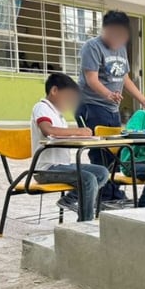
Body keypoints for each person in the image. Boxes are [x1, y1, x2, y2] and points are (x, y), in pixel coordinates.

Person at [76, 10, 145, 205]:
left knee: (114, 150)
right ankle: (103, 195)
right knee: (99, 152)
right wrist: (108, 94)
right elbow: (91, 79)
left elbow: (125, 78)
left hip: (111, 109)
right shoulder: (92, 47)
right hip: (91, 106)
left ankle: (112, 193)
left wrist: (143, 100)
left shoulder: (119, 49)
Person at [31, 73, 110, 222]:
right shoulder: (41, 107)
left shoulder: (58, 115)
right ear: (54, 91)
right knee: (87, 179)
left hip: (63, 166)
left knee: (102, 172)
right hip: (45, 169)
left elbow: (60, 135)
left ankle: (71, 200)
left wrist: (82, 136)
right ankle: (85, 222)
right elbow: (48, 130)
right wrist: (78, 131)